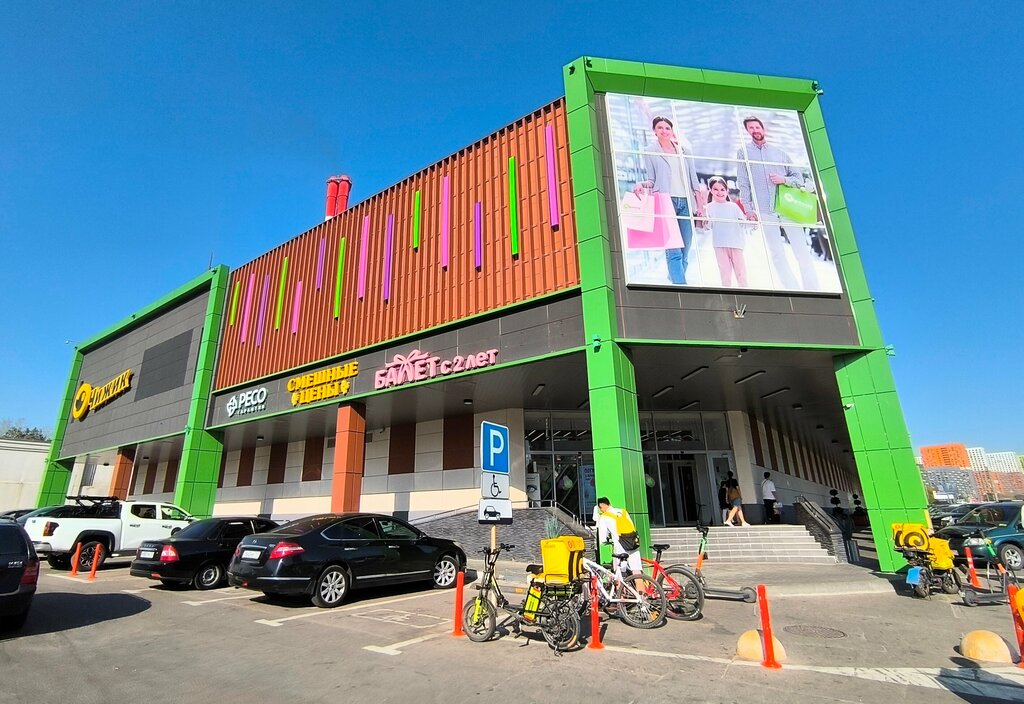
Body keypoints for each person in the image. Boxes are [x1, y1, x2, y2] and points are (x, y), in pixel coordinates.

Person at [735, 116, 820, 291]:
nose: (755, 130)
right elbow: (743, 182)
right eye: (751, 128)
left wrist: (784, 179)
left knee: (801, 252)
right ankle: (792, 289)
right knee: (776, 254)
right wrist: (749, 209)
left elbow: (798, 178)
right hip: (765, 210)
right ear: (747, 131)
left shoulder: (780, 153)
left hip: (788, 209)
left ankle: (813, 289)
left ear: (763, 128)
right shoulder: (743, 153)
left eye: (757, 127)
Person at [633, 116, 705, 285]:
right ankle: (681, 286)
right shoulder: (650, 150)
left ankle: (674, 277)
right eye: (660, 127)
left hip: (686, 202)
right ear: (654, 131)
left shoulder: (684, 151)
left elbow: (694, 180)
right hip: (665, 202)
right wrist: (641, 184)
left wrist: (700, 206)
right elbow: (652, 180)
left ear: (672, 131)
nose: (664, 131)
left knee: (685, 249)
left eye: (667, 128)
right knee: (674, 251)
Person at [705, 176, 750, 287]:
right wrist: (704, 221)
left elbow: (744, 223)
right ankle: (727, 296)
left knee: (741, 274)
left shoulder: (733, 207)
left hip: (736, 244)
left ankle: (744, 294)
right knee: (725, 275)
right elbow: (708, 226)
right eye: (715, 189)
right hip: (719, 245)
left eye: (722, 189)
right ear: (710, 190)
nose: (719, 192)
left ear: (727, 190)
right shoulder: (709, 207)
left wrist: (753, 222)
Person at [593, 497, 642, 576]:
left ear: (601, 506)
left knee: (619, 571)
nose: (601, 510)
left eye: (600, 508)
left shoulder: (604, 516)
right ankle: (639, 584)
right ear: (609, 504)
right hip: (633, 542)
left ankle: (622, 583)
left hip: (620, 545)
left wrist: (605, 542)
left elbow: (602, 537)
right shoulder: (623, 512)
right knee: (636, 571)